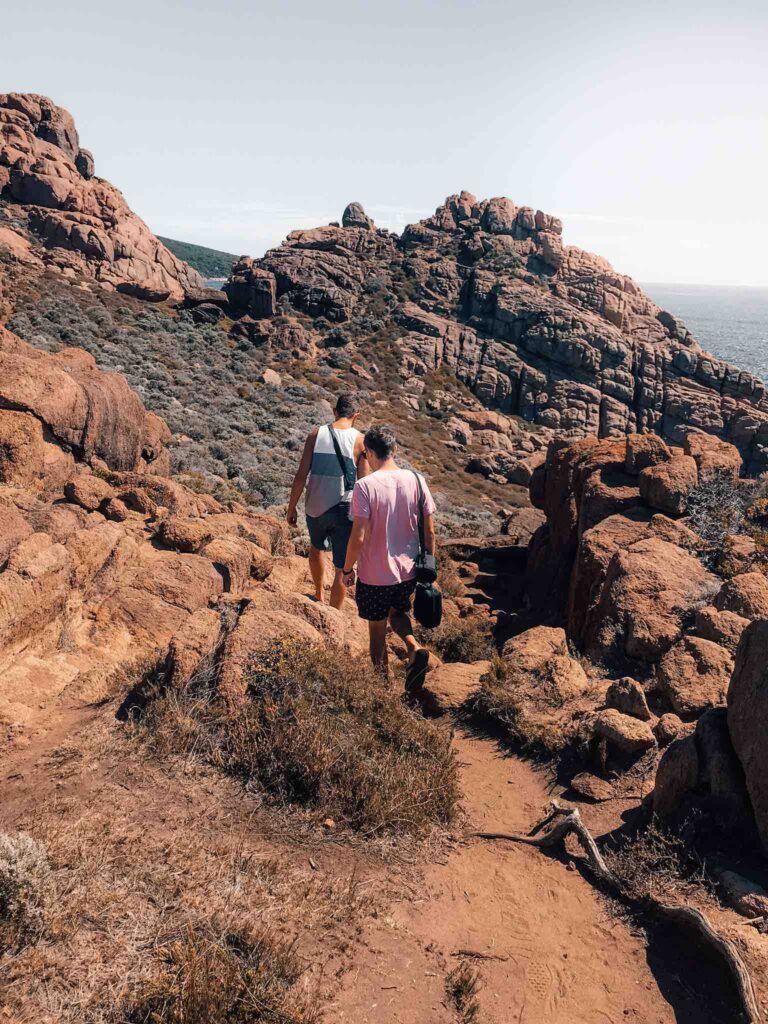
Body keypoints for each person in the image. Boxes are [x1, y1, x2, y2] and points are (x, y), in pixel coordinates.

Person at [341, 425, 436, 689]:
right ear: (394, 450)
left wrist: (347, 570)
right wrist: (430, 568)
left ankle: (382, 690)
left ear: (369, 452)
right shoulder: (416, 480)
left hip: (374, 576)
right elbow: (429, 532)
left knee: (376, 633)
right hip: (408, 572)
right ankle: (414, 647)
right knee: (398, 613)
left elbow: (357, 536)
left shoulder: (364, 487)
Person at [286, 394, 368, 608]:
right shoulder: (360, 440)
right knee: (343, 567)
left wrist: (291, 506)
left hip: (315, 507)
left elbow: (301, 474)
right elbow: (365, 483)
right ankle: (333, 614)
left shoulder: (316, 434)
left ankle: (318, 594)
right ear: (356, 416)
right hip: (345, 509)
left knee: (316, 548)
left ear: (334, 411)